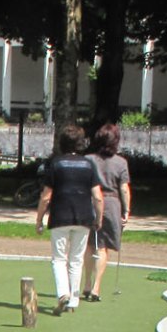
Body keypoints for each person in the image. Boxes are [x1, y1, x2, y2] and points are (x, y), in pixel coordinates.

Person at [34, 125, 104, 315]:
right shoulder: (88, 165)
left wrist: (39, 219)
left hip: (60, 217)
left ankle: (62, 294)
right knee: (76, 259)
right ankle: (73, 300)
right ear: (81, 144)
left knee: (58, 259)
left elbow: (46, 196)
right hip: (83, 218)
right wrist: (98, 218)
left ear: (62, 143)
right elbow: (97, 196)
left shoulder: (56, 164)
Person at [83, 122, 131, 302]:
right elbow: (124, 188)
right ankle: (96, 287)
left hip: (90, 201)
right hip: (111, 203)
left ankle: (86, 283)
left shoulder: (88, 159)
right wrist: (126, 210)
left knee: (89, 245)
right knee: (102, 247)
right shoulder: (121, 162)